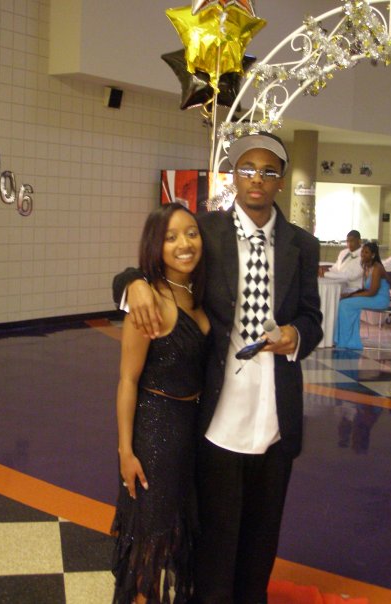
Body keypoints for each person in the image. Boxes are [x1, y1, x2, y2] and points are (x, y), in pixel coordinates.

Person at [113, 131, 323, 604]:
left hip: (275, 415)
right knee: (215, 542)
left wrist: (297, 336)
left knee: (261, 543)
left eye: (268, 171)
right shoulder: (205, 232)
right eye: (247, 169)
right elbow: (159, 258)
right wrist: (133, 283)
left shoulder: (302, 245)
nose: (257, 179)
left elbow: (312, 317)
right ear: (233, 176)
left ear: (281, 180)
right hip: (217, 415)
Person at [111, 202, 210, 604]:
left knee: (178, 534)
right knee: (148, 541)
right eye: (171, 237)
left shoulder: (199, 291)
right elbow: (127, 380)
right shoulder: (148, 300)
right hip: (156, 434)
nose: (184, 244)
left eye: (191, 233)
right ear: (156, 245)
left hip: (193, 430)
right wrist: (125, 452)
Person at [334, 242, 390, 350]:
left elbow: (373, 292)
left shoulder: (377, 268)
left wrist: (353, 296)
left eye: (366, 252)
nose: (363, 254)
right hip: (371, 296)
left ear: (373, 255)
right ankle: (347, 340)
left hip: (379, 299)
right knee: (343, 302)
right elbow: (364, 289)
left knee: (345, 305)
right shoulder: (366, 266)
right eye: (362, 252)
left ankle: (347, 341)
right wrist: (350, 295)